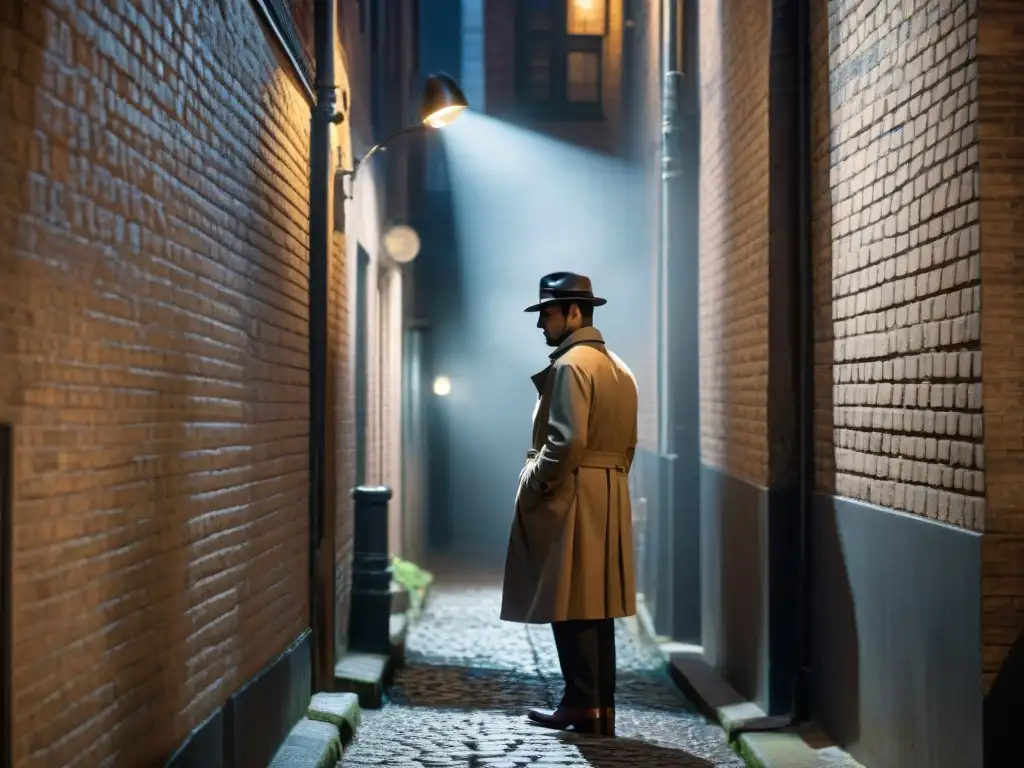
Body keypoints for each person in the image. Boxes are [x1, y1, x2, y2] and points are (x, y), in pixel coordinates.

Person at [500, 271, 639, 738]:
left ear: (573, 313)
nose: (541, 325)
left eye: (547, 313)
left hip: (574, 490)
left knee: (571, 601)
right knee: (595, 604)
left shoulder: (571, 365)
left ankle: (581, 704)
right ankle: (598, 707)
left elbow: (566, 440)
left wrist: (535, 479)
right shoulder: (618, 367)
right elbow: (628, 445)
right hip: (609, 489)